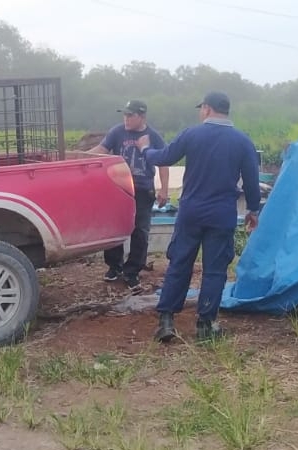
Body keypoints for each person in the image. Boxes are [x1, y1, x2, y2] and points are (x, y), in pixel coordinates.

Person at [138, 91, 261, 343]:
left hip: (191, 213)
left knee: (180, 264)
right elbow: (251, 180)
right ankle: (206, 325)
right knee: (215, 270)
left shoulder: (192, 134)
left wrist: (145, 149)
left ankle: (166, 321)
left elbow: (164, 157)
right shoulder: (242, 141)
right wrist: (253, 209)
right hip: (222, 215)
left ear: (206, 108)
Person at [94, 100, 170, 291]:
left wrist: (164, 189)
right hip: (118, 188)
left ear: (142, 117)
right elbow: (101, 151)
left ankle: (132, 271)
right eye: (124, 115)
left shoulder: (153, 136)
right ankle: (114, 266)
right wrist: (78, 156)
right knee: (114, 227)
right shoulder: (117, 132)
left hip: (143, 189)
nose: (126, 119)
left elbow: (163, 162)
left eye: (130, 115)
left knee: (140, 231)